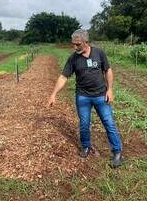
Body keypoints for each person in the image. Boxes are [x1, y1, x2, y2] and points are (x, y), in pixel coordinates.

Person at [47, 29, 123, 168]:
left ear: (86, 42)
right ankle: (86, 146)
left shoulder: (99, 53)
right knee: (84, 124)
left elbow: (108, 70)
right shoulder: (73, 58)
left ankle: (117, 152)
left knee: (108, 123)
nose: (75, 47)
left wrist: (110, 89)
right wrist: (54, 94)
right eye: (73, 44)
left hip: (100, 95)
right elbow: (63, 77)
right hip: (83, 96)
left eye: (78, 44)